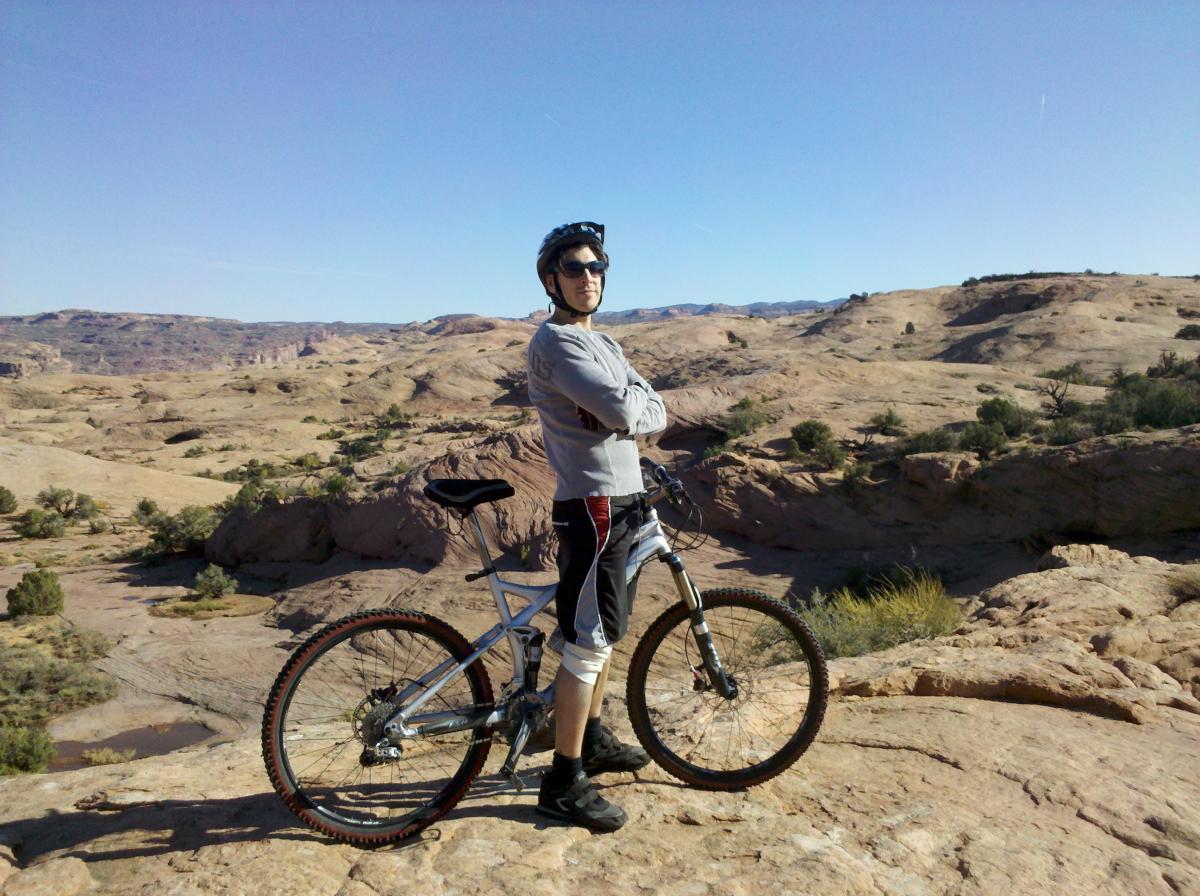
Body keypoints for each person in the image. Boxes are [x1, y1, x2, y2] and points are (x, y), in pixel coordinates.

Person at [527, 222, 668, 832]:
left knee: (604, 635)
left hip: (624, 502)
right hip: (596, 507)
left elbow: (650, 409)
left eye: (596, 267)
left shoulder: (602, 341)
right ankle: (562, 779)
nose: (589, 277)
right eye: (575, 268)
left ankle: (590, 736)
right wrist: (629, 405)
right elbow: (625, 410)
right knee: (587, 644)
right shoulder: (559, 344)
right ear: (552, 279)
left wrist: (632, 403)